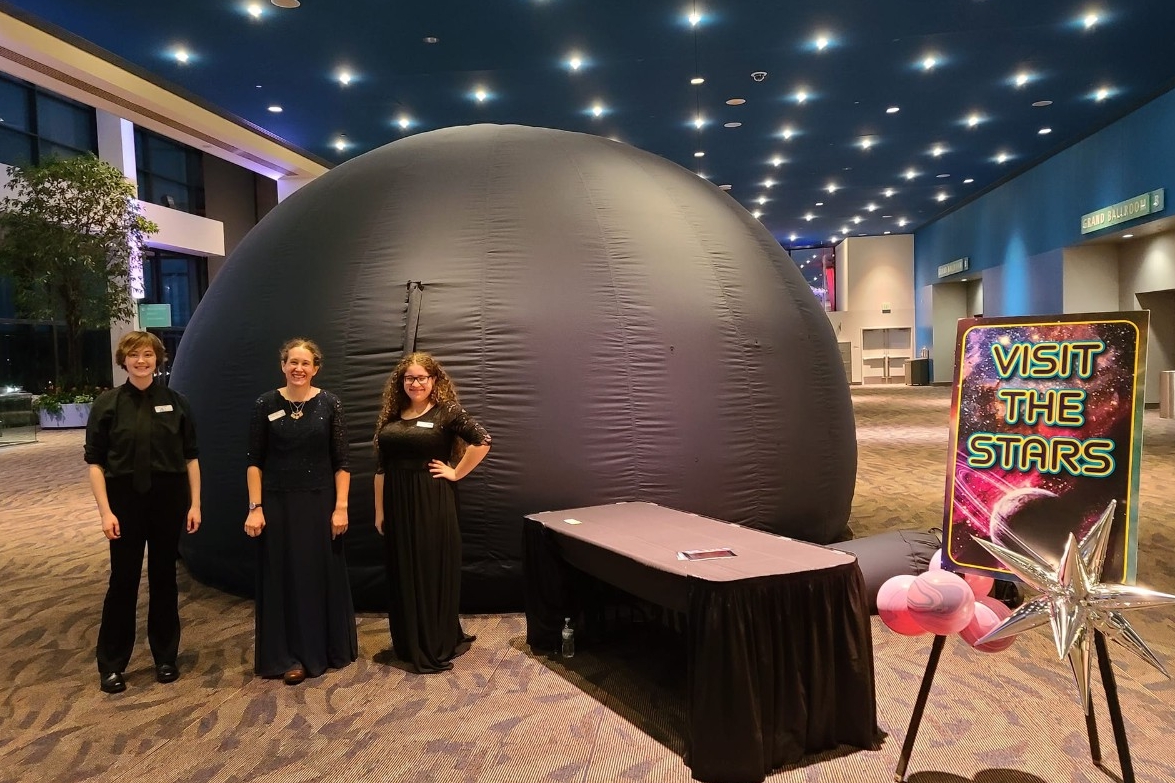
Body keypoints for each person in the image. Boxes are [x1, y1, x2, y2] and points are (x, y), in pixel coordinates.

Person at [84, 331, 201, 694]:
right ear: (124, 360)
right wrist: (105, 512)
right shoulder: (106, 404)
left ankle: (165, 658)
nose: (141, 361)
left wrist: (195, 503)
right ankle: (112, 665)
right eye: (134, 355)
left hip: (168, 499)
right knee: (123, 582)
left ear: (157, 359)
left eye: (147, 355)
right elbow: (94, 464)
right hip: (123, 501)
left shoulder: (176, 402)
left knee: (165, 579)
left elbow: (191, 457)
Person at [244, 338, 357, 685]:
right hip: (276, 505)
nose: (298, 368)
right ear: (283, 365)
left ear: (316, 367)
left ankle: (319, 651)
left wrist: (341, 507)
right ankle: (286, 655)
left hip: (320, 503)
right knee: (282, 579)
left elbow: (342, 462)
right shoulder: (266, 403)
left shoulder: (330, 403)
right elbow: (254, 463)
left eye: (305, 363)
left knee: (314, 576)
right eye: (293, 362)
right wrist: (255, 507)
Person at [374, 352, 491, 673]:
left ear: (433, 381)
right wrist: (379, 511)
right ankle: (409, 642)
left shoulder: (446, 412)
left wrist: (456, 472)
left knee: (428, 568)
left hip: (431, 499)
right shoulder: (393, 414)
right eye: (409, 378)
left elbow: (482, 440)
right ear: (402, 382)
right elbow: (381, 467)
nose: (415, 383)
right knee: (403, 569)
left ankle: (434, 641)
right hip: (396, 500)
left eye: (422, 378)